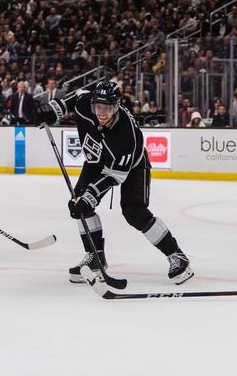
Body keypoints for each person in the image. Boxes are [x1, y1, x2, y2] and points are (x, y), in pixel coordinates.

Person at [35, 81, 193, 285]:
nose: (102, 113)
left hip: (133, 165)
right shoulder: (86, 102)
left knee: (133, 211)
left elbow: (114, 176)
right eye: (98, 107)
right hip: (95, 160)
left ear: (117, 106)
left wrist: (91, 195)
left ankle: (177, 256)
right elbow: (75, 98)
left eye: (108, 108)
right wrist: (51, 110)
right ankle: (95, 258)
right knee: (78, 205)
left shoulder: (125, 134)